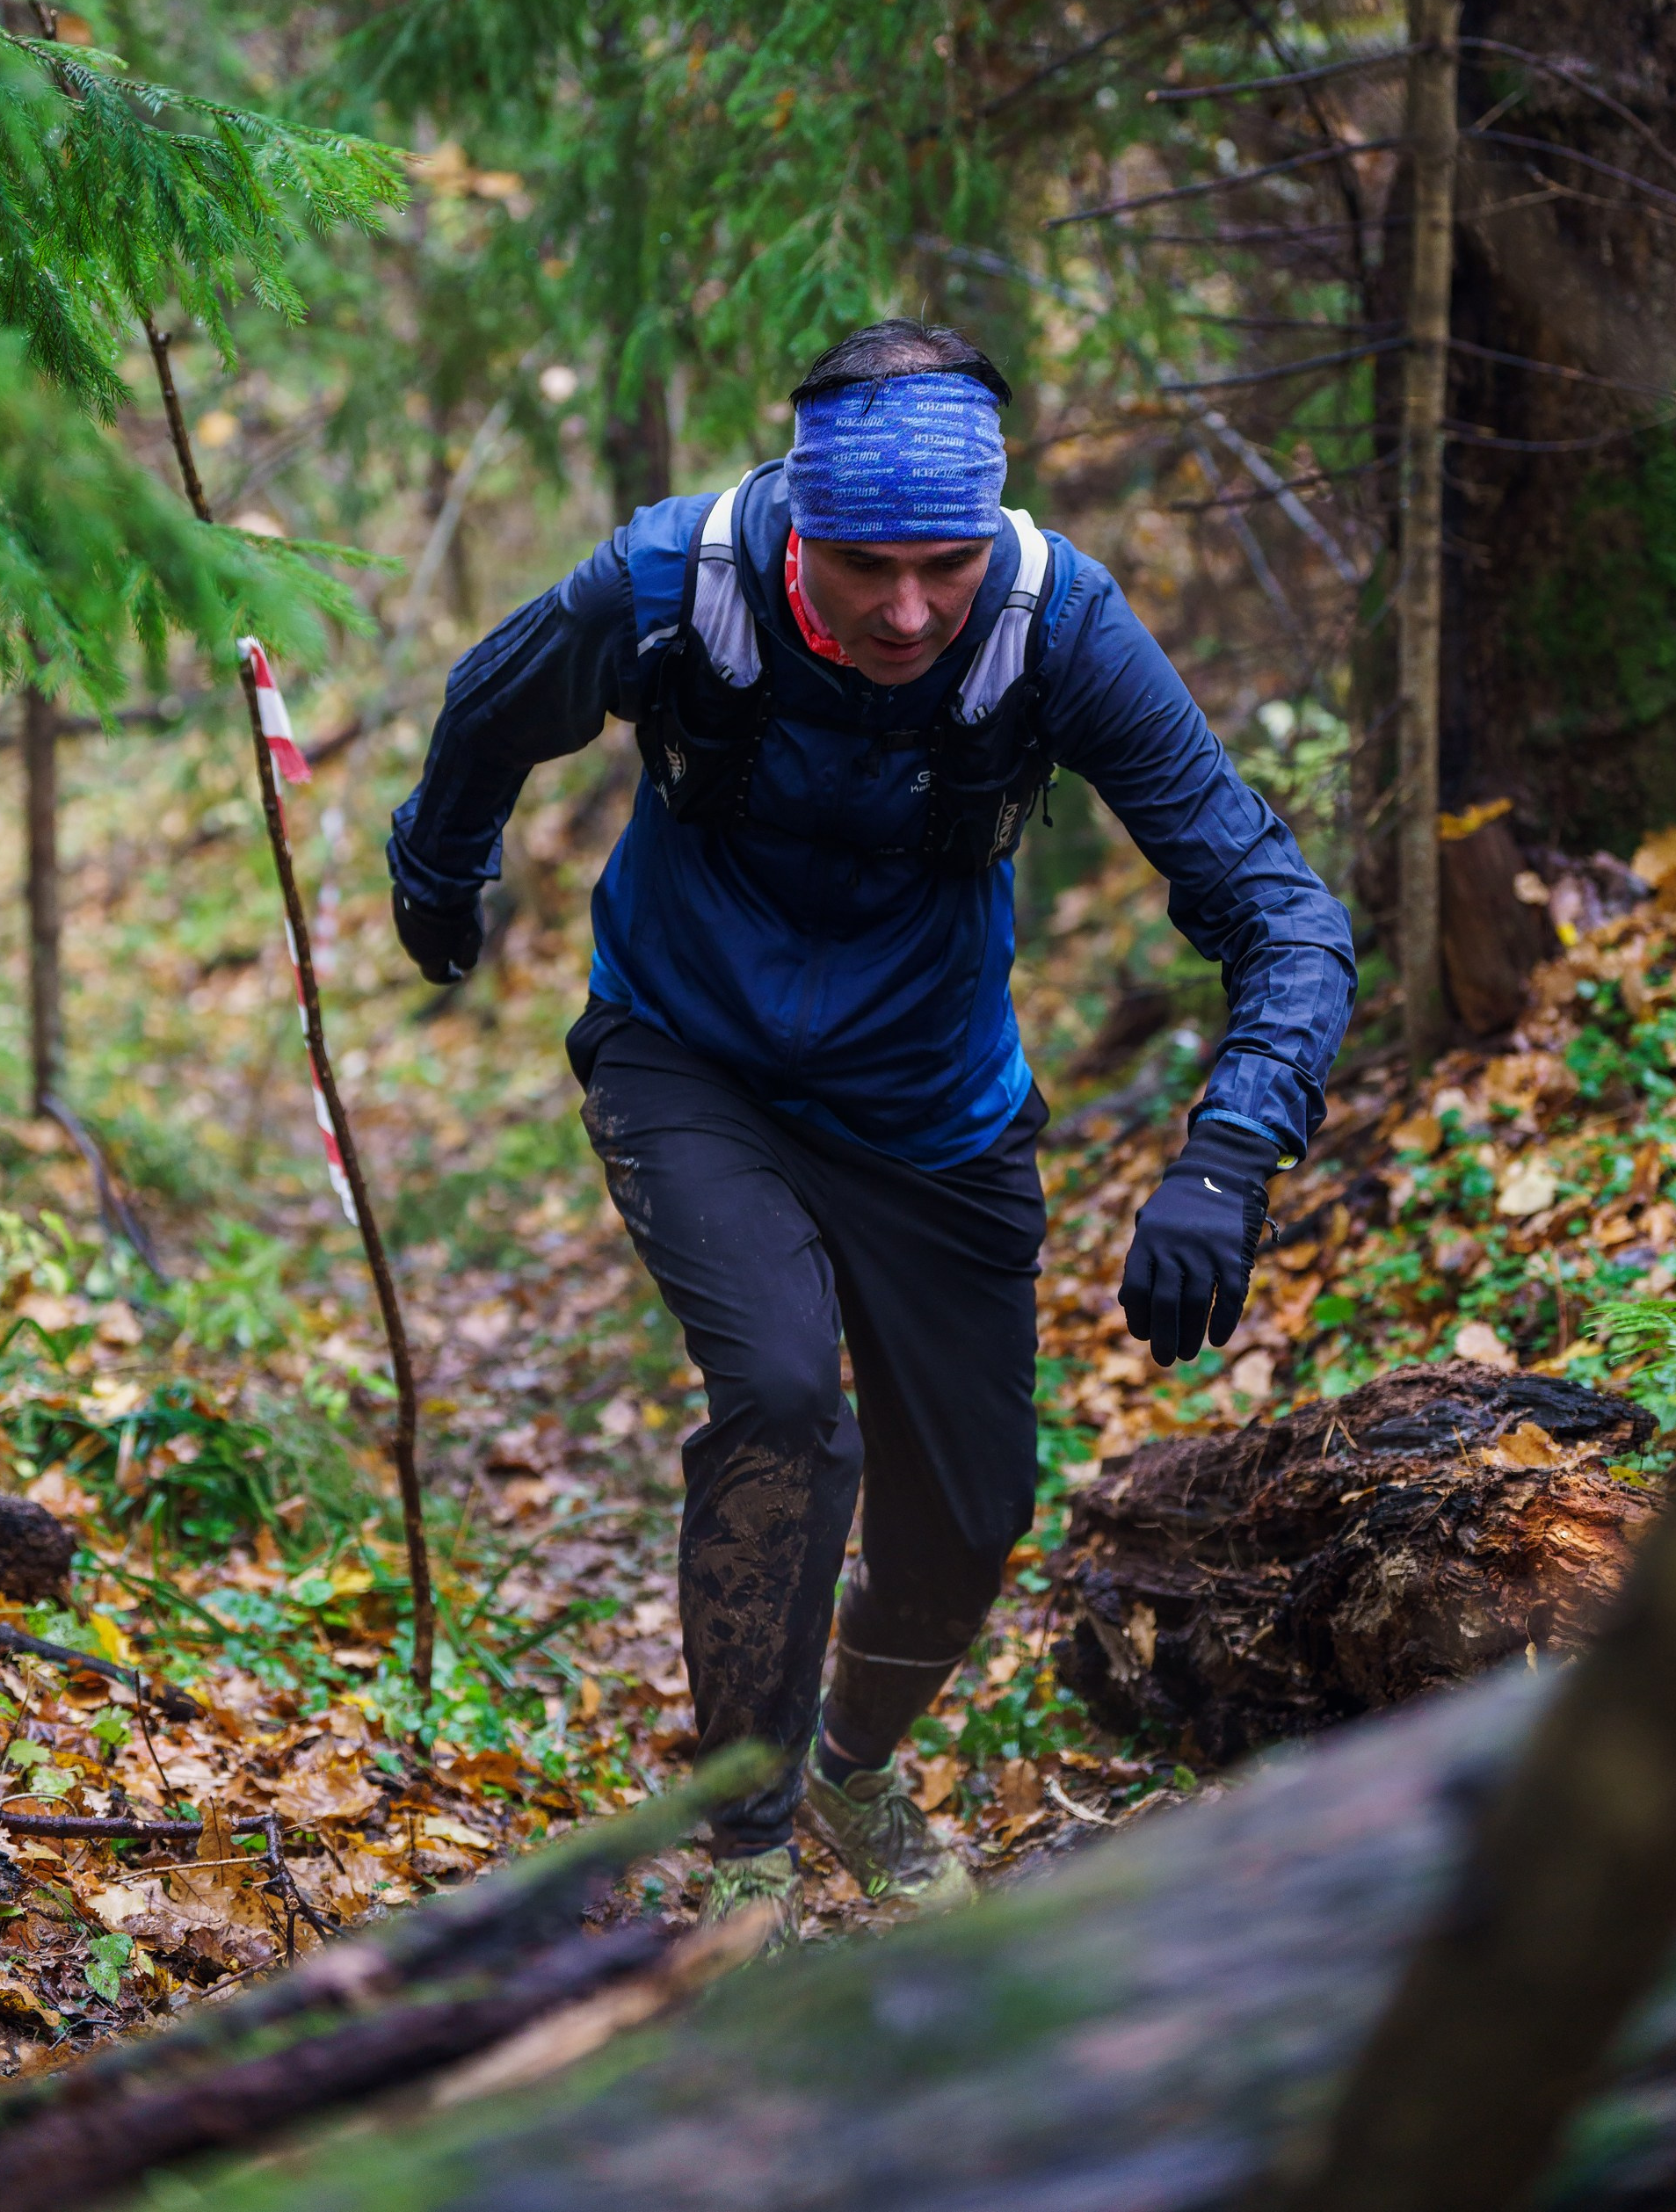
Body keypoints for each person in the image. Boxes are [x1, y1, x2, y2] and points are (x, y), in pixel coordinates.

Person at [388, 319, 1355, 1946]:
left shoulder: (1059, 628)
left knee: (971, 1514)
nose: (909, 609)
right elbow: (491, 708)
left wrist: (1230, 1152)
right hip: (686, 1054)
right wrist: (439, 865)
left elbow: (1281, 907)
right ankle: (749, 1841)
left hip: (932, 1105)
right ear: (795, 529)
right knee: (779, 1395)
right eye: (865, 568)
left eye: (944, 567)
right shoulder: (670, 584)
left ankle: (850, 1769)